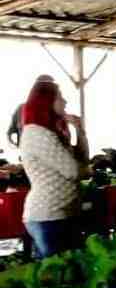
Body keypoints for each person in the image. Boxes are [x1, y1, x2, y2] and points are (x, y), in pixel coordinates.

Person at [19, 79, 89, 259]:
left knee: (72, 275)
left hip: (64, 213)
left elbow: (83, 160)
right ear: (46, 102)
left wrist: (80, 130)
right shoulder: (37, 133)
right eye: (60, 98)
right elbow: (74, 171)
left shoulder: (51, 132)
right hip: (48, 216)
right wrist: (86, 171)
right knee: (59, 278)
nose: (64, 102)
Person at [7, 74, 56, 152]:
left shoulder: (55, 111)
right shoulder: (21, 109)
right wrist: (19, 148)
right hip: (28, 154)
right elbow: (10, 133)